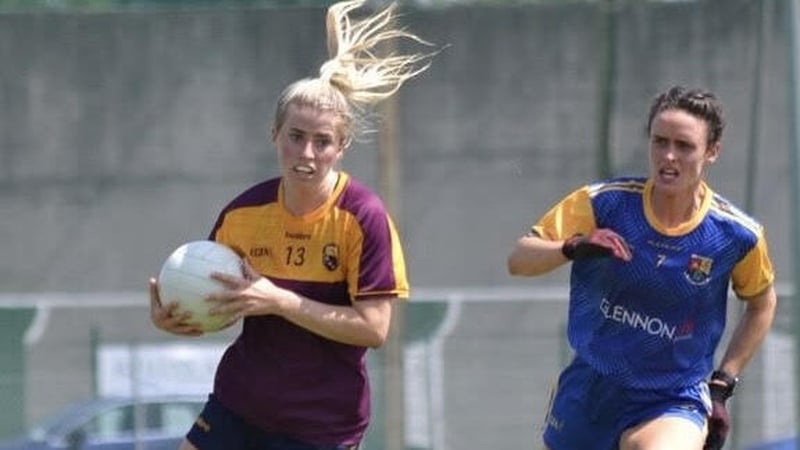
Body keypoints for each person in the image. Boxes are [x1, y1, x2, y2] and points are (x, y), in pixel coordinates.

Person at [148, 1, 436, 448]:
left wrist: (281, 300)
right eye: (296, 137)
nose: (306, 154)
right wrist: (183, 317)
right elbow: (225, 302)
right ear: (274, 135)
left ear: (342, 146)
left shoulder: (363, 218)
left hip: (321, 426)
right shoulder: (243, 215)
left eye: (322, 142)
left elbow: (374, 329)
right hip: (238, 406)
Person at [507, 85, 777, 450]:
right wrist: (572, 247)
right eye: (659, 141)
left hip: (672, 398)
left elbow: (761, 303)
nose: (669, 156)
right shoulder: (604, 203)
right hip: (591, 389)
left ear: (712, 151)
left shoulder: (736, 235)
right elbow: (520, 259)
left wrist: (723, 383)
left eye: (684, 146)